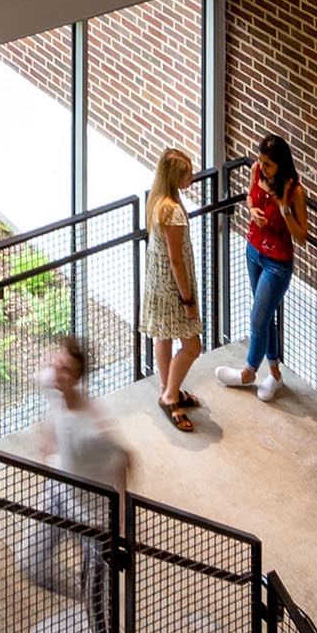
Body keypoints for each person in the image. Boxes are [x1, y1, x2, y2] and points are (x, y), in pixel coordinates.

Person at [30, 335, 129, 633]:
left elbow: (125, 460)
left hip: (93, 520)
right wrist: (48, 442)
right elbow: (51, 417)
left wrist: (118, 520)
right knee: (33, 564)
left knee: (97, 600)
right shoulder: (52, 385)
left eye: (64, 370)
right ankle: (85, 600)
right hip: (59, 496)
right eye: (54, 365)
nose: (55, 374)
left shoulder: (92, 426)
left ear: (77, 379)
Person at [221, 134, 307, 403]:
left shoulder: (295, 192)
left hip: (277, 263)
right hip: (254, 250)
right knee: (265, 314)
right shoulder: (256, 169)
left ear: (281, 165)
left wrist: (284, 210)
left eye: (268, 164)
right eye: (261, 160)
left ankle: (249, 372)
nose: (262, 166)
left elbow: (301, 236)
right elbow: (250, 196)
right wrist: (252, 211)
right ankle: (275, 375)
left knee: (258, 318)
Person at [141, 146, 203, 430]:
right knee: (192, 346)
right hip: (173, 290)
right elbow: (176, 260)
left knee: (163, 337)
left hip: (156, 285)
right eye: (187, 174)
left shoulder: (157, 202)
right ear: (175, 177)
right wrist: (188, 299)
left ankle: (170, 391)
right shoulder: (174, 212)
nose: (192, 177)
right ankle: (170, 395)